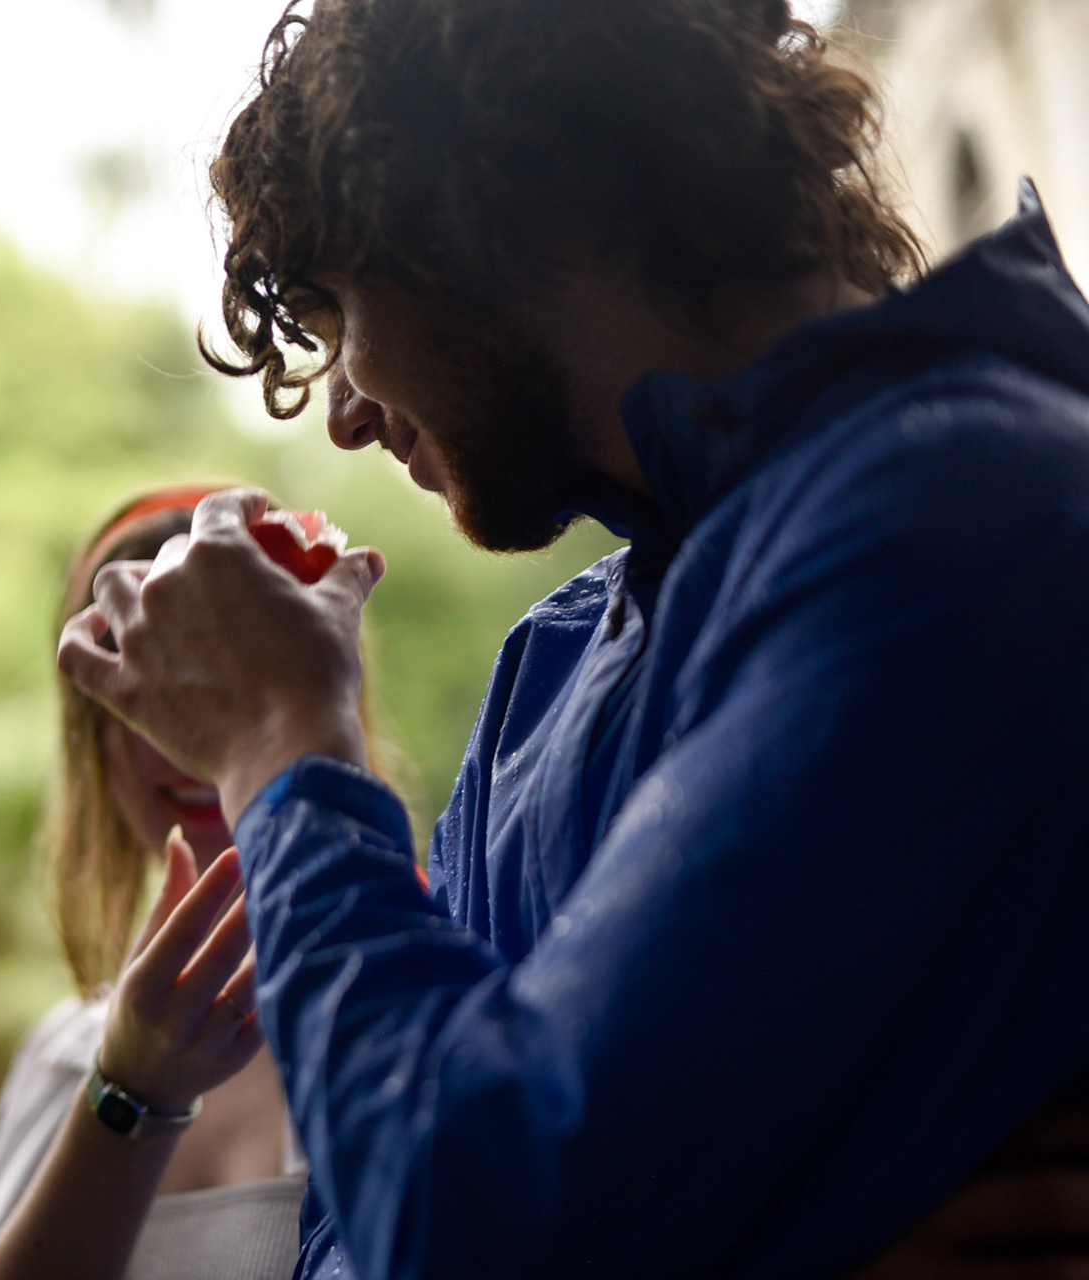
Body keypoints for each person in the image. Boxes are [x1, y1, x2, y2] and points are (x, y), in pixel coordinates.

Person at [57, 1, 1089, 1277]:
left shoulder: (962, 514)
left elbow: (474, 1213)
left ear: (487, 218)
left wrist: (283, 743)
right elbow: (357, 1247)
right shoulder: (546, 672)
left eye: (344, 314)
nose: (345, 415)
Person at [0, 486, 307, 1280]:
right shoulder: (62, 1058)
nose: (183, 735)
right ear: (91, 744)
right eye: (132, 682)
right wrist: (129, 1093)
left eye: (224, 673)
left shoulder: (425, 998)